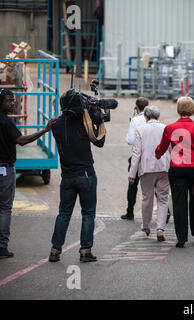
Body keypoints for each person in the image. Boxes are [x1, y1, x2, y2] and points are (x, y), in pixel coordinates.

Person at [48, 91, 105, 263]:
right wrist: (99, 119)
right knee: (88, 213)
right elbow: (100, 142)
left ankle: (55, 250)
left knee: (63, 213)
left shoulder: (56, 125)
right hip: (86, 174)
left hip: (67, 177)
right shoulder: (84, 123)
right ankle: (85, 250)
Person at [0, 89, 56, 259]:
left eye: (13, 100)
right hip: (4, 171)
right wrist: (45, 130)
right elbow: (22, 141)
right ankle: (2, 246)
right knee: (5, 208)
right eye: (9, 100)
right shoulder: (6, 122)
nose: (13, 103)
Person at [155, 96, 194, 248]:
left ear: (178, 109)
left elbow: (162, 147)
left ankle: (181, 238)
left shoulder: (170, 127)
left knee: (179, 203)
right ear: (192, 109)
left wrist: (157, 154)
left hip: (177, 167)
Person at [129, 106, 171, 241]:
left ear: (146, 117)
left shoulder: (140, 130)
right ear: (158, 117)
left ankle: (146, 226)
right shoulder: (166, 128)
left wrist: (132, 173)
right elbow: (170, 149)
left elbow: (136, 153)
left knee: (147, 199)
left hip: (146, 169)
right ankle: (160, 228)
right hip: (164, 167)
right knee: (163, 199)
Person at [121, 97, 148, 220]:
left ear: (137, 108)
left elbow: (129, 140)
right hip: (151, 158)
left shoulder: (135, 121)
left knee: (133, 185)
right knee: (154, 186)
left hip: (138, 157)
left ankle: (130, 211)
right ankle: (165, 211)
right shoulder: (155, 119)